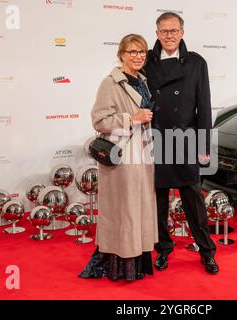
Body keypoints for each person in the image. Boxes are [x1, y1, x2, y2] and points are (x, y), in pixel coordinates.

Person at [143, 12, 219, 274]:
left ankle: (206, 251)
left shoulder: (197, 63)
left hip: (185, 138)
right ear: (157, 33)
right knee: (159, 202)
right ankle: (162, 249)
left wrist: (203, 145)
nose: (169, 36)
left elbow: (204, 108)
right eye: (164, 31)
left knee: (193, 201)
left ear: (182, 32)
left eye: (174, 31)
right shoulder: (147, 63)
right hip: (157, 138)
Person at [79, 34, 158, 282]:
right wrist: (131, 118)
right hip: (122, 157)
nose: (138, 56)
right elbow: (100, 121)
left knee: (139, 209)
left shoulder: (142, 81)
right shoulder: (110, 83)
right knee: (125, 211)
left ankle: (138, 261)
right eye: (132, 52)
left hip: (143, 154)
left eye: (142, 52)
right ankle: (119, 265)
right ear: (121, 54)